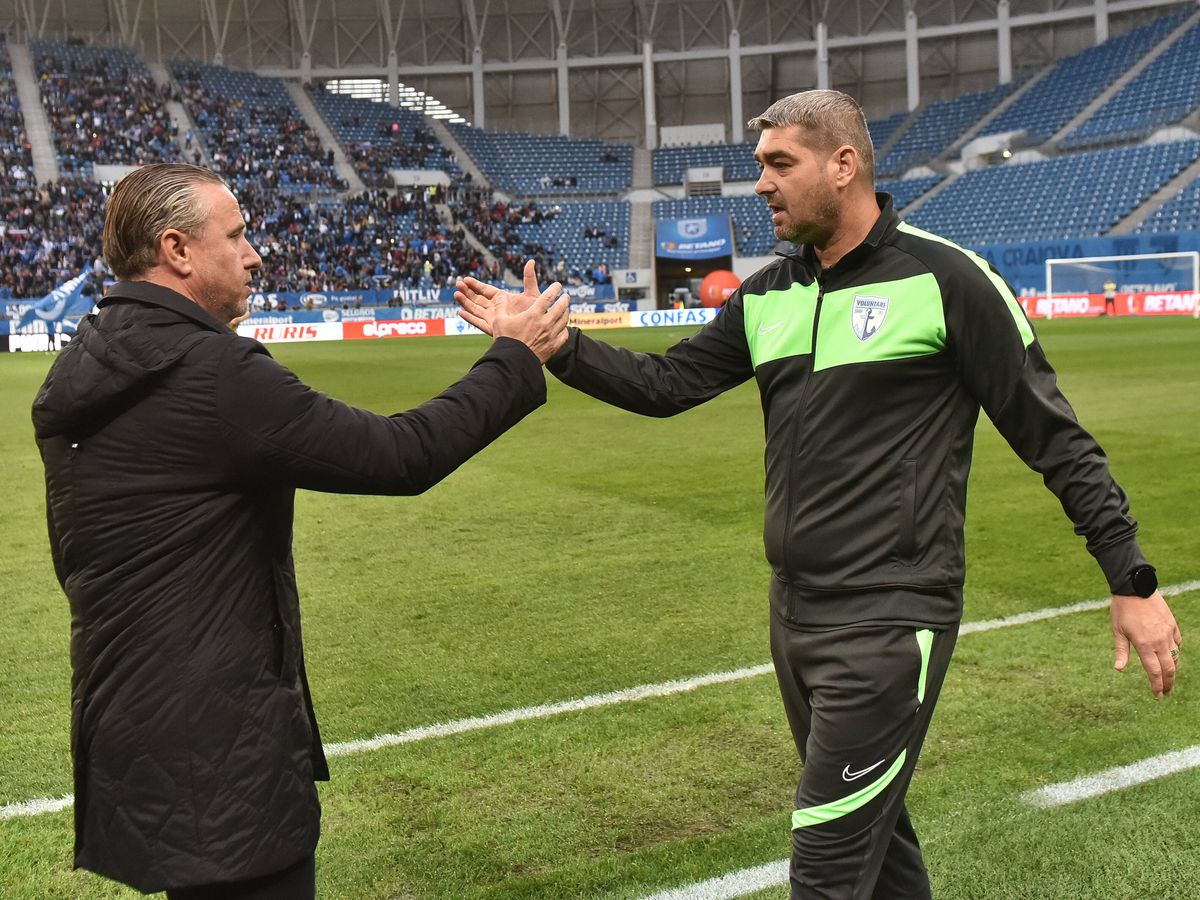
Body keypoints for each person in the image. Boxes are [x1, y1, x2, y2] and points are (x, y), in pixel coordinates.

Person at [456, 90, 1182, 899]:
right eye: (758, 166)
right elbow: (666, 385)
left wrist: (1132, 579)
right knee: (882, 858)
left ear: (843, 166)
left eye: (778, 164)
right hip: (794, 614)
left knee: (828, 874)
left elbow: (1055, 438)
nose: (760, 184)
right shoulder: (767, 295)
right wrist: (559, 347)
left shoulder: (946, 281)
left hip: (889, 618)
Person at [33, 163, 569, 898]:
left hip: (131, 715)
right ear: (177, 251)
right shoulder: (213, 372)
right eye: (238, 235)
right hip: (221, 740)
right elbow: (399, 455)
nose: (255, 255)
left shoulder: (84, 365)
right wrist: (514, 356)